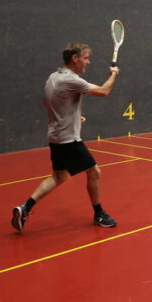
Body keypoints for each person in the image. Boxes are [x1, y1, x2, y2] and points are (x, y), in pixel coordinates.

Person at [11, 43, 120, 232]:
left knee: (59, 176)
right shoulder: (71, 80)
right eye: (85, 58)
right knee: (94, 172)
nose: (88, 62)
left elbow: (49, 103)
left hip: (55, 137)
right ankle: (99, 213)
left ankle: (25, 208)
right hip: (69, 140)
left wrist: (73, 117)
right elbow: (103, 91)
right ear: (75, 58)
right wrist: (114, 74)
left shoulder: (53, 77)